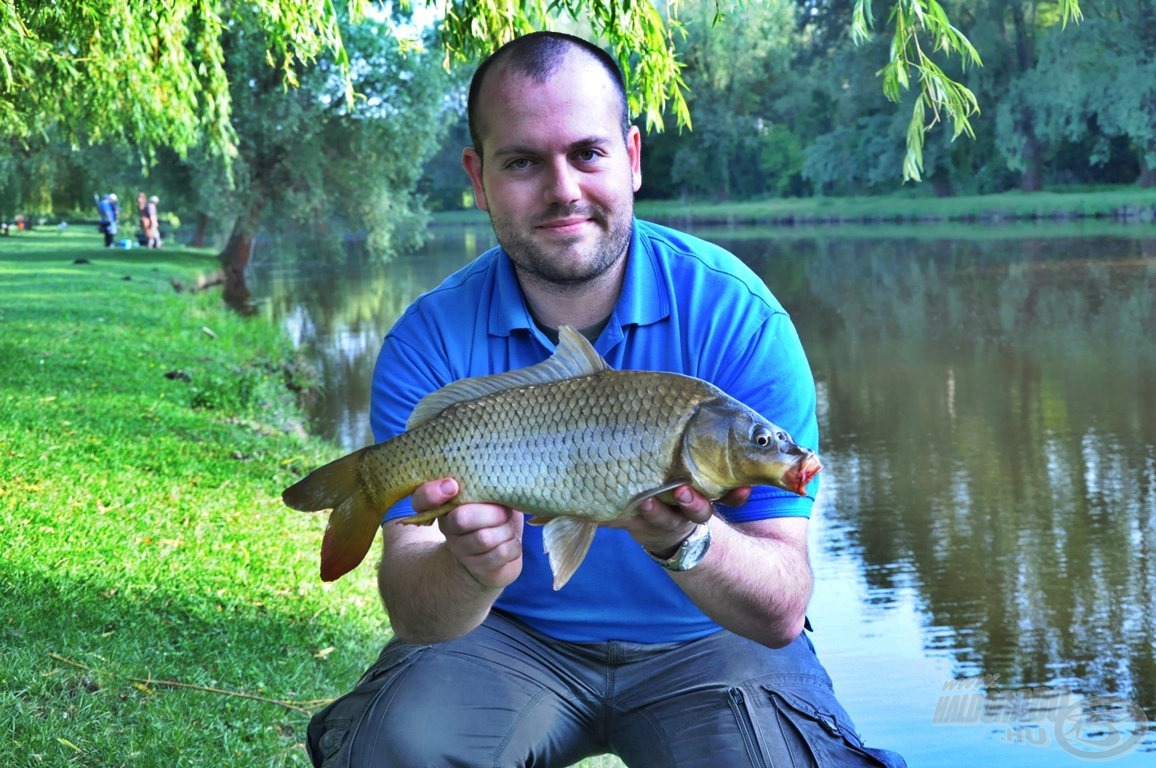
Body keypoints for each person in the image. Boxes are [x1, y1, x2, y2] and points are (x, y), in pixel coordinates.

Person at [306, 32, 905, 768]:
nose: (563, 189)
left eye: (587, 153)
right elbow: (413, 609)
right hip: (507, 636)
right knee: (391, 750)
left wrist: (690, 543)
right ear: (478, 176)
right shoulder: (428, 339)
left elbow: (781, 609)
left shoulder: (738, 316)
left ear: (632, 158)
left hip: (710, 645)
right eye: (523, 161)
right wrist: (468, 571)